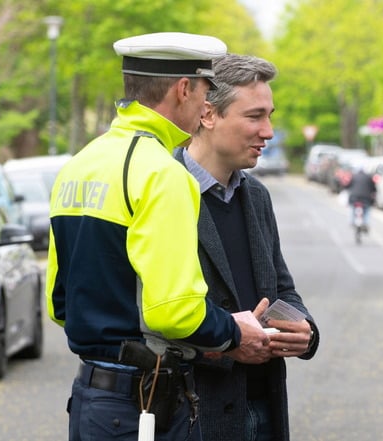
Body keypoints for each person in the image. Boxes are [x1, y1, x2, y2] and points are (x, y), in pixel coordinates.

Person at [46, 33, 269, 441]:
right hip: (144, 405)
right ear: (184, 89)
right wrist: (236, 331)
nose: (206, 106)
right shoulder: (162, 173)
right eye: (205, 91)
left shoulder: (80, 164)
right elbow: (173, 311)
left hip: (90, 400)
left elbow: (59, 305)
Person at [172, 53, 319, 441]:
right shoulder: (162, 190)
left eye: (269, 116)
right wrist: (225, 345)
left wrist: (304, 331)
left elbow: (281, 290)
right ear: (207, 114)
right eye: (254, 117)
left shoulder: (256, 196)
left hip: (264, 409)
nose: (268, 131)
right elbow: (146, 314)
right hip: (193, 416)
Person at [345, 166, 376, 231]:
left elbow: (348, 186)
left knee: (352, 209)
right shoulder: (369, 177)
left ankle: (352, 221)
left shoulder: (354, 176)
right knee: (366, 210)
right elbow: (373, 188)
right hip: (366, 198)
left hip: (354, 197)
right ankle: (365, 223)